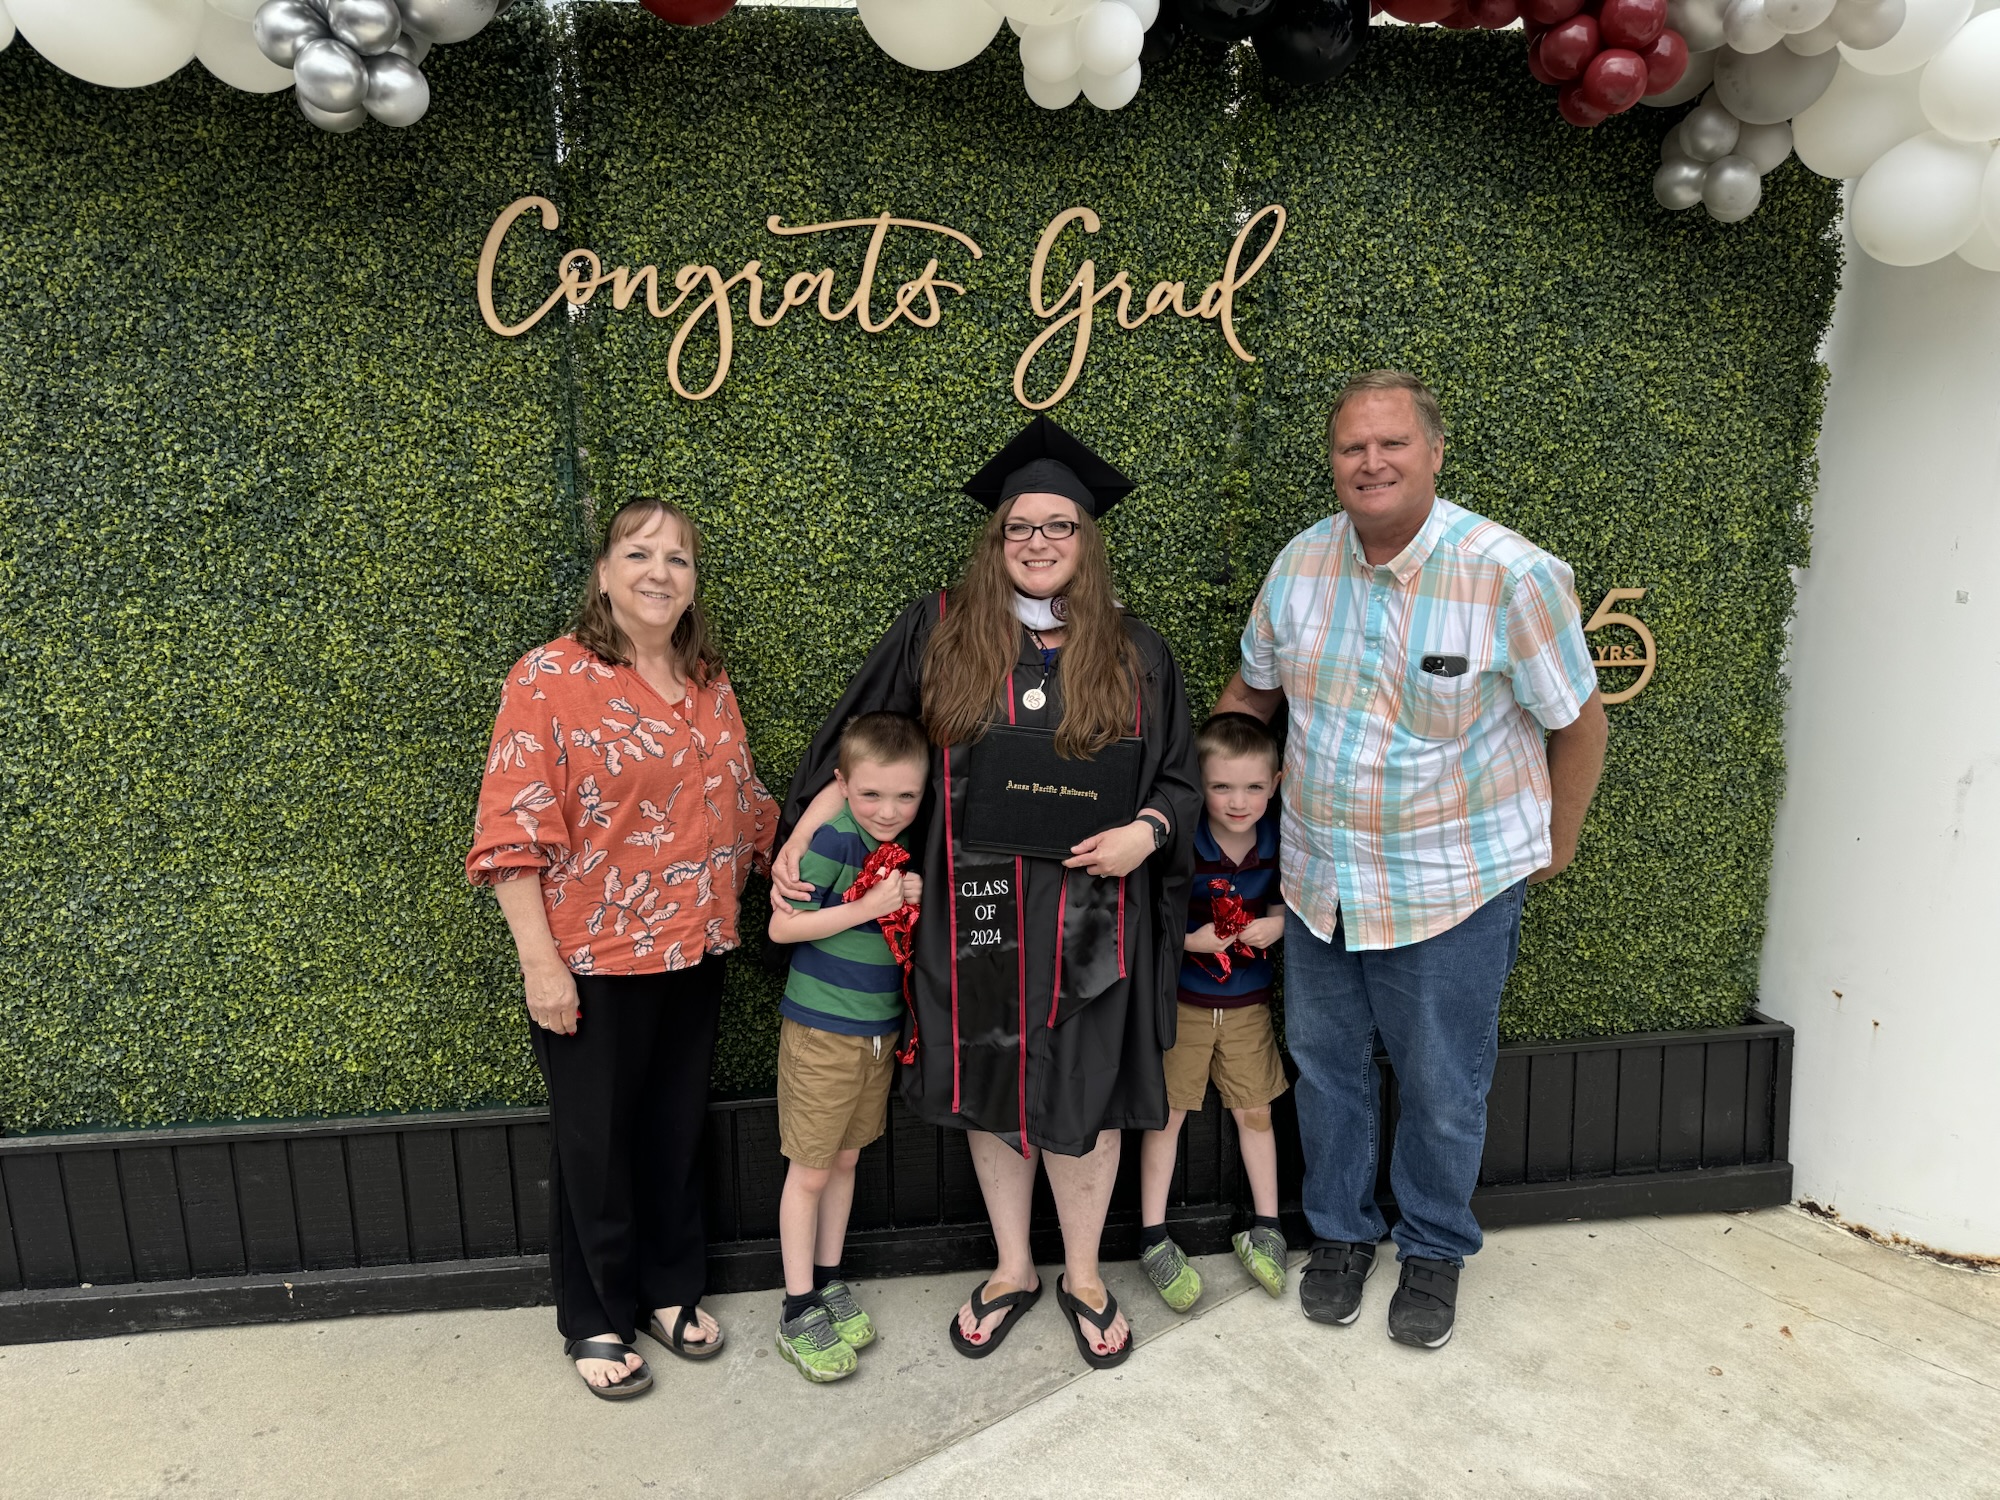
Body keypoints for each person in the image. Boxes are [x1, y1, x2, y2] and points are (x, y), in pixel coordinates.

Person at [772, 415, 1202, 1371]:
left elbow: (1179, 780)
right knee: (994, 1084)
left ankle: (1082, 1274)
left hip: (1095, 922)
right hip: (975, 916)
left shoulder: (1137, 650)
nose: (1038, 542)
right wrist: (805, 829)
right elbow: (867, 742)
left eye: (1059, 525)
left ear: (1088, 539)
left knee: (1086, 1095)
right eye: (1020, 526)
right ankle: (1013, 1268)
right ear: (996, 537)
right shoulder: (939, 629)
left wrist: (1147, 832)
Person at [1216, 370, 1607, 1351]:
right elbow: (1251, 696)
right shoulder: (1301, 563)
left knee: (1441, 1084)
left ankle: (1433, 1248)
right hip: (1319, 883)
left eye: (1391, 443)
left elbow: (1578, 721)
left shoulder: (1509, 575)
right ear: (1333, 462)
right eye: (1352, 446)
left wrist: (1555, 842)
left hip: (1451, 889)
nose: (1371, 462)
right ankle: (1342, 1234)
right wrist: (1203, 808)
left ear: (1433, 453)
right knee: (1326, 1071)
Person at [467, 498, 777, 1398]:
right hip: (593, 962)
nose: (659, 572)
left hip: (696, 947)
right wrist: (541, 966)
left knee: (673, 1133)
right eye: (639, 554)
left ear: (693, 583)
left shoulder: (707, 678)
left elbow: (742, 799)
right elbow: (513, 829)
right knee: (596, 1146)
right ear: (604, 574)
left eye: (678, 558)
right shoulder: (550, 677)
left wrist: (815, 841)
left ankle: (670, 1289)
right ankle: (596, 1314)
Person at [765, 712, 930, 1383]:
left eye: (905, 796)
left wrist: (908, 896)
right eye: (871, 795)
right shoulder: (834, 838)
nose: (888, 810)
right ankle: (797, 1306)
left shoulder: (902, 842)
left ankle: (829, 1280)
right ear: (843, 785)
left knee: (846, 1160)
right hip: (822, 1032)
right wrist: (870, 907)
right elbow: (782, 928)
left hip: (877, 1033)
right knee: (810, 1170)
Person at [1135, 711, 1291, 1313]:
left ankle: (1268, 1226)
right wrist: (1190, 941)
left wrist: (1275, 926)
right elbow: (1148, 918)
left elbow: (1285, 902)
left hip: (1248, 1003)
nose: (1238, 801)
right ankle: (1153, 1236)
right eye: (1222, 786)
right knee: (1167, 1117)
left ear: (1275, 783)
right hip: (1185, 1003)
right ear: (1199, 785)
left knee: (1256, 1111)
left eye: (1253, 786)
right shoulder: (1184, 841)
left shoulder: (1277, 837)